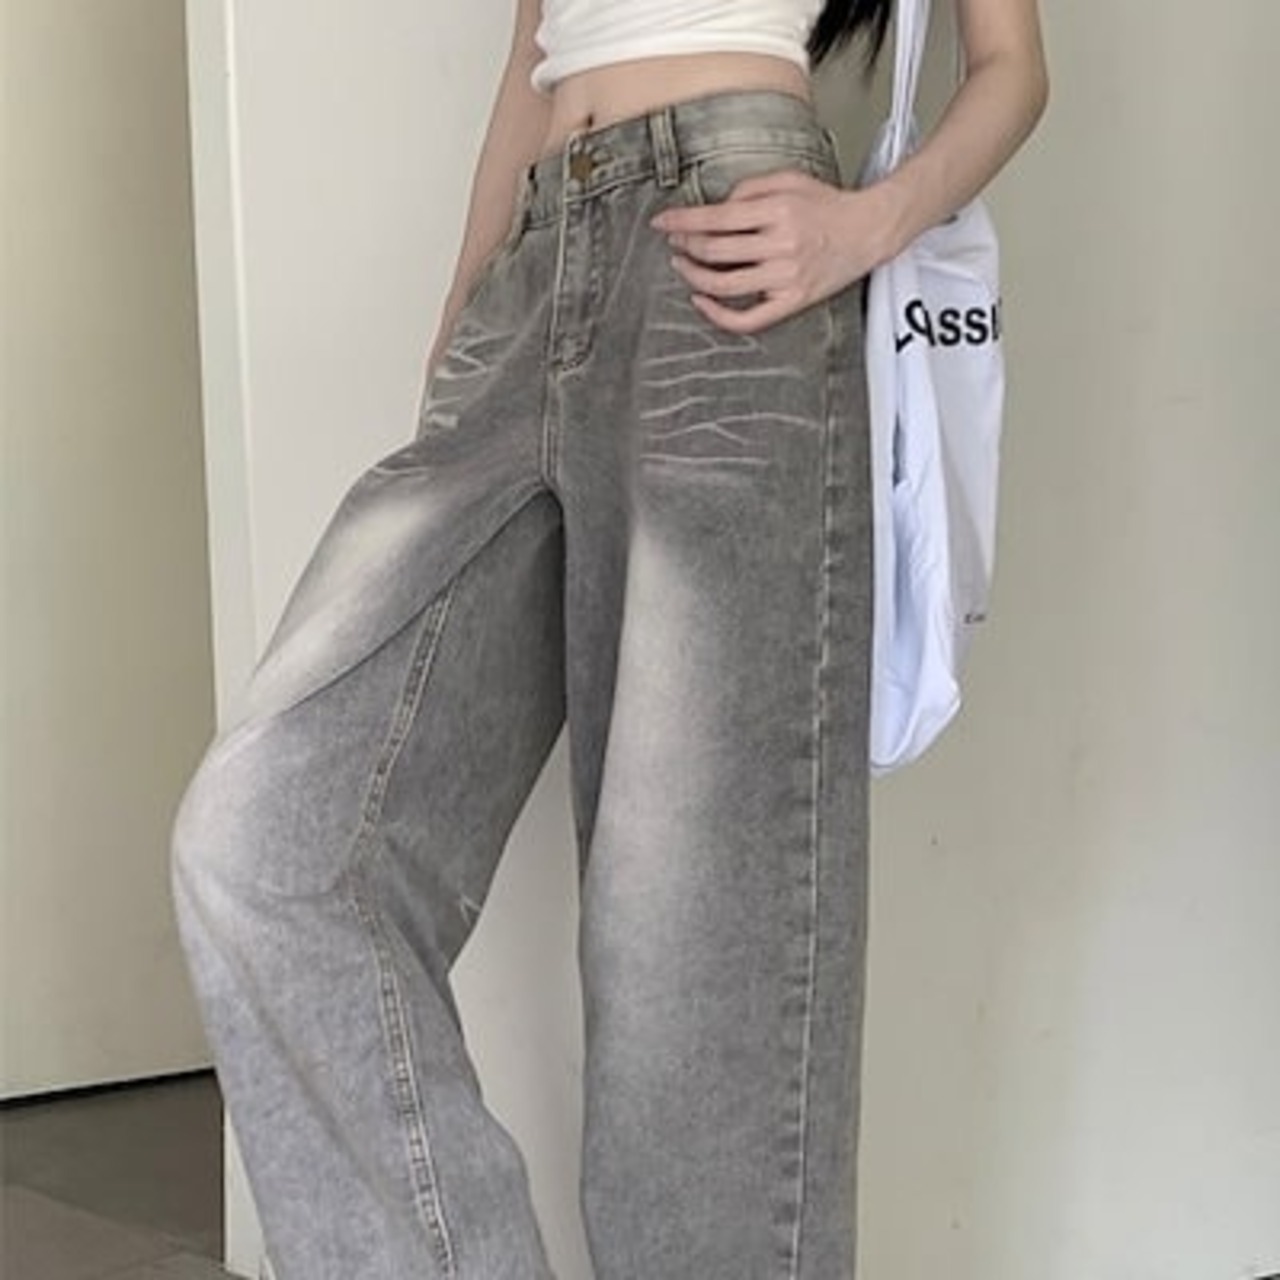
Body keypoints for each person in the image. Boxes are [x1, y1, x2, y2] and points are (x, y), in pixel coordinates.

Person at [169, 1, 1048, 1277]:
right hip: (532, 270)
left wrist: (867, 224)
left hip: (727, 266)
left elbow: (1011, 68)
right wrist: (466, 319)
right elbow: (534, 48)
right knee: (269, 847)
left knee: (691, 994)